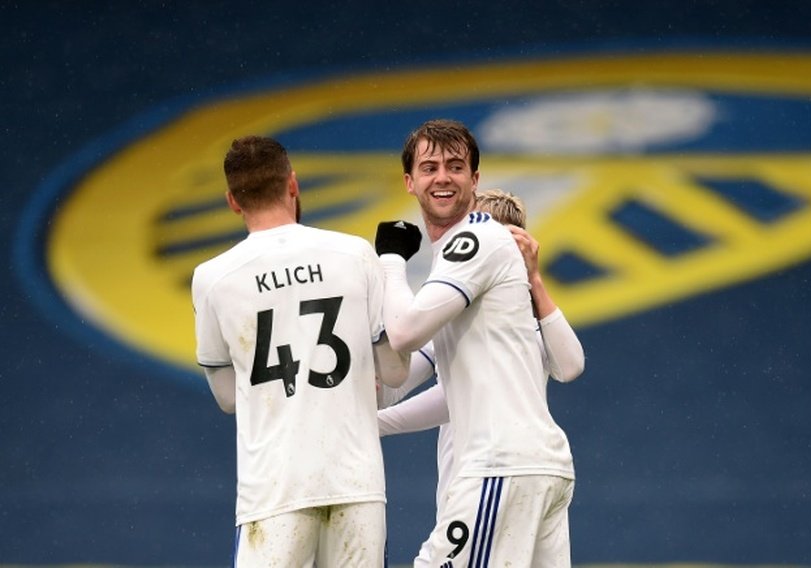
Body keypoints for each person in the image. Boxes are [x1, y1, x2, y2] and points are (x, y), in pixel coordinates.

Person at [191, 135, 410, 567]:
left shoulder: (212, 278)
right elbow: (395, 372)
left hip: (274, 490)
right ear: (293, 184)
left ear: (233, 201)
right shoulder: (355, 254)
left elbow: (228, 397)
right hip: (355, 481)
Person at [375, 119, 579, 567]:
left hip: (499, 465)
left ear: (475, 179)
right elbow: (407, 374)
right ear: (409, 181)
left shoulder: (475, 239)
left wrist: (390, 261)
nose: (443, 177)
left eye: (455, 166)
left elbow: (406, 333)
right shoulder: (457, 283)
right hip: (535, 467)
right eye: (430, 167)